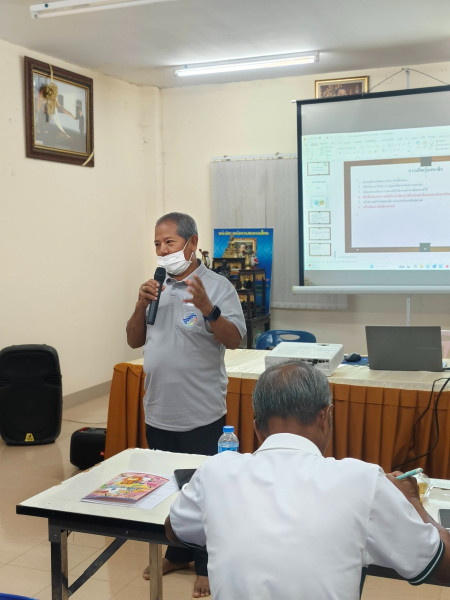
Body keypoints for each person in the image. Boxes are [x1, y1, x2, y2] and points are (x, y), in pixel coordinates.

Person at [165, 361, 450, 600]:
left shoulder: (216, 470)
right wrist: (412, 501)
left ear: (257, 429)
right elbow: (442, 564)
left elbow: (174, 530)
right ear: (325, 416)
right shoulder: (363, 481)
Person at [126, 212, 246, 598]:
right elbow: (133, 340)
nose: (163, 251)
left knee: (205, 491)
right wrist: (139, 304)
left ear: (191, 243)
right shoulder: (155, 286)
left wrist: (209, 310)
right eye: (157, 245)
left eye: (170, 243)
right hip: (159, 410)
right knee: (169, 489)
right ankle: (177, 554)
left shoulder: (218, 286)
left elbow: (235, 340)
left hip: (201, 413)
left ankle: (207, 565)